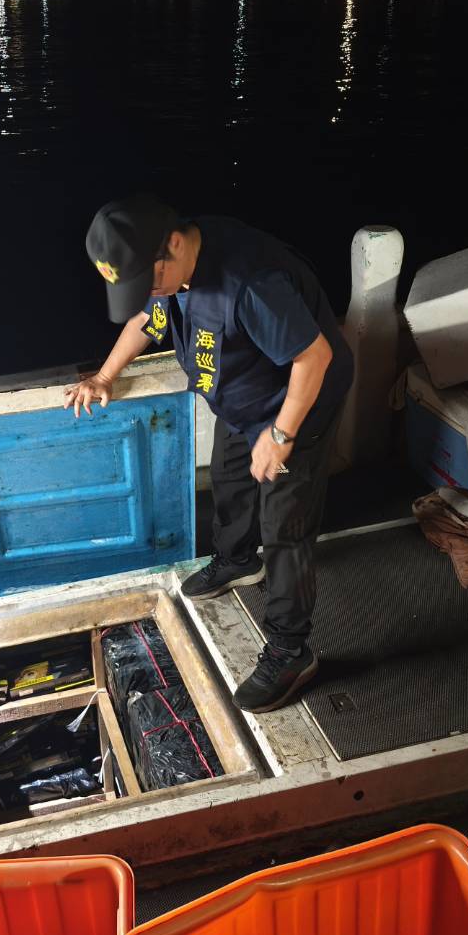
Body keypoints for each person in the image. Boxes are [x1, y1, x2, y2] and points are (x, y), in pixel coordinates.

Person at [67, 196, 353, 713]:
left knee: (285, 526)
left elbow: (315, 358)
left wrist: (282, 434)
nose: (148, 293)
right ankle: (238, 561)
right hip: (244, 401)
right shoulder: (172, 273)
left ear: (174, 244)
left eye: (149, 281)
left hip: (296, 407)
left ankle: (291, 651)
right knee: (229, 478)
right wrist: (104, 376)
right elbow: (147, 320)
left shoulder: (251, 281)